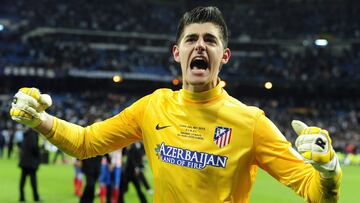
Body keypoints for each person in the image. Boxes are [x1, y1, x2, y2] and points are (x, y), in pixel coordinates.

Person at [10, 6, 342, 203]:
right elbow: (85, 143)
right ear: (177, 52)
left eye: (210, 40)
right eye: (192, 39)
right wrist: (40, 120)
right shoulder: (152, 107)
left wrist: (328, 173)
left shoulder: (251, 122)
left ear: (224, 56)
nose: (201, 46)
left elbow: (313, 190)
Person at [18, 128, 41, 202]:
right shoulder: (33, 135)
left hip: (24, 161)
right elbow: (34, 147)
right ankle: (36, 197)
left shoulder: (26, 134)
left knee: (22, 180)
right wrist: (38, 155)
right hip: (31, 162)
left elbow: (22, 146)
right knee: (33, 181)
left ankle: (21, 197)